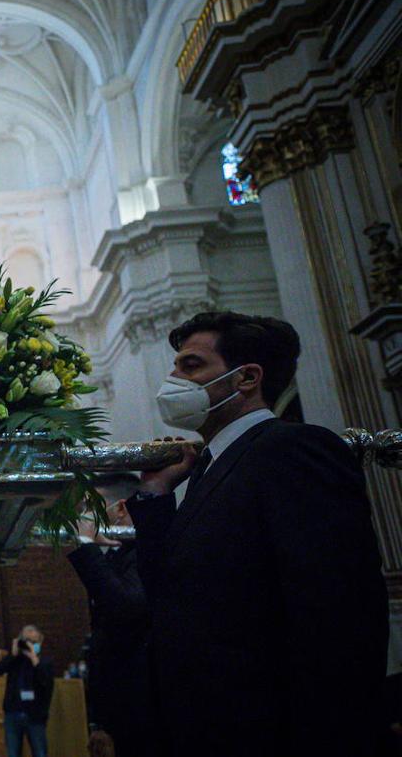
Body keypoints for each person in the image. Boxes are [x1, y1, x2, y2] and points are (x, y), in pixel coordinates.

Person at [128, 311, 387, 757]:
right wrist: (154, 493)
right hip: (210, 726)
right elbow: (173, 591)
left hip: (274, 729)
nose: (172, 381)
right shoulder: (210, 467)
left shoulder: (293, 449)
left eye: (191, 366)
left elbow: (339, 612)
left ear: (246, 377)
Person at [67, 473, 154, 757]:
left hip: (143, 709)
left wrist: (86, 543)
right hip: (121, 708)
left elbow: (125, 608)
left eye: (91, 507)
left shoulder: (144, 552)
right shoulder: (119, 554)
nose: (84, 515)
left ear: (120, 509)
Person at [0, 625, 54, 757]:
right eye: (26, 641)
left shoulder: (45, 661)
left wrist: (34, 658)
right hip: (13, 713)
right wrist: (12, 655)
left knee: (40, 752)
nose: (29, 645)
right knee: (13, 753)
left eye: (33, 642)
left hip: (35, 715)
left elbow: (45, 681)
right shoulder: (15, 660)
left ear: (40, 642)